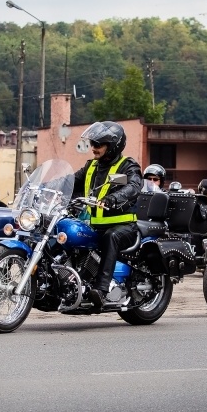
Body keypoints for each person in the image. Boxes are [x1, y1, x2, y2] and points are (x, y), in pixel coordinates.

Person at [72, 121, 142, 311]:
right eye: (92, 143)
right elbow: (70, 181)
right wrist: (45, 187)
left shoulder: (127, 166)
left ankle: (101, 290)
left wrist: (113, 198)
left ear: (113, 146)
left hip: (124, 226)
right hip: (94, 225)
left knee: (111, 237)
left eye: (98, 144)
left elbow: (133, 186)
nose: (93, 148)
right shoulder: (91, 167)